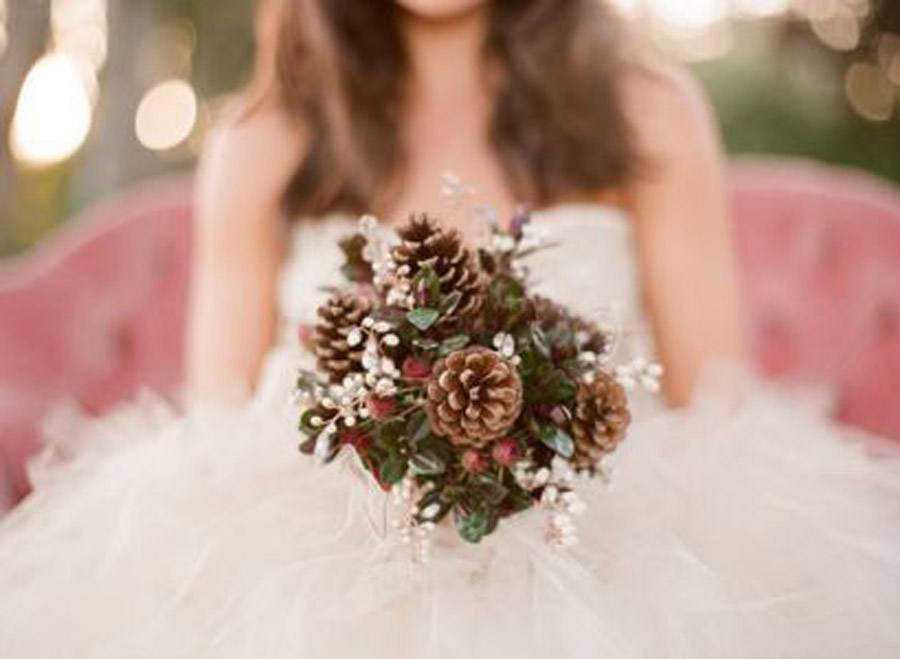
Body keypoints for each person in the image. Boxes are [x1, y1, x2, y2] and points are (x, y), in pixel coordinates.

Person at [1, 1, 898, 656]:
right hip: (319, 554)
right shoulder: (266, 140)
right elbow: (218, 417)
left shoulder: (645, 113)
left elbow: (718, 398)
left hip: (606, 540)